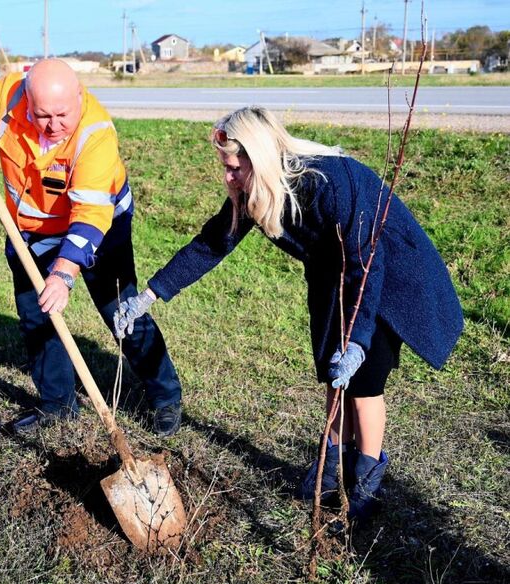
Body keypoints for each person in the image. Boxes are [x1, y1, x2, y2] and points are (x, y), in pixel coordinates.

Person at [114, 106, 463, 521]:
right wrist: (149, 295)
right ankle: (332, 467)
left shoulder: (331, 183)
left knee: (365, 383)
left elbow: (364, 264)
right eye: (225, 167)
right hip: (334, 276)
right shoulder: (259, 189)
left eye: (234, 167)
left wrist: (357, 340)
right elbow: (213, 243)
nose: (228, 177)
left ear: (259, 157)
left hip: (388, 278)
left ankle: (365, 483)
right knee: (335, 373)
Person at [0, 58, 182, 436]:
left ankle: (165, 396)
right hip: (30, 230)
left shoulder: (95, 134)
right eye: (42, 115)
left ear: (79, 96)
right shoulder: (9, 93)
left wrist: (63, 274)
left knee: (120, 308)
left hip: (99, 225)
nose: (53, 126)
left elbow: (90, 215)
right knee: (37, 313)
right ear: (28, 100)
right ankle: (58, 404)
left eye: (62, 115)